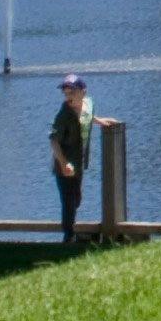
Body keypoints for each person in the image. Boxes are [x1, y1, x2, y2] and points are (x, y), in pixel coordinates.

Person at [50, 76, 97, 241]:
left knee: (77, 199)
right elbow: (53, 140)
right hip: (64, 164)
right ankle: (68, 237)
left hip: (78, 163)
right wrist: (63, 164)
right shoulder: (64, 115)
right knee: (68, 201)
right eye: (66, 92)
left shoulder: (88, 104)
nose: (68, 96)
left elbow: (87, 116)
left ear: (83, 92)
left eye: (72, 92)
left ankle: (71, 233)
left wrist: (99, 121)